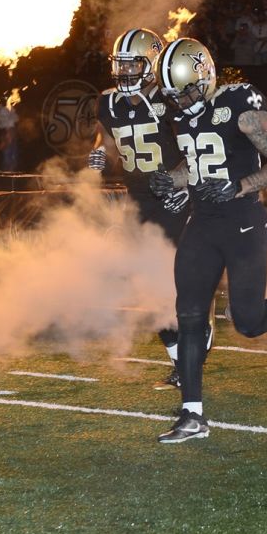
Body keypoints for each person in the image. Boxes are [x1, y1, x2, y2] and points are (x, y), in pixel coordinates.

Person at [152, 37, 267, 444]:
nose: (184, 101)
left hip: (243, 223)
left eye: (189, 91)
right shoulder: (181, 115)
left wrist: (240, 185)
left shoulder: (240, 108)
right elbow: (198, 160)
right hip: (202, 223)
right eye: (175, 96)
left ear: (206, 77)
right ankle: (192, 415)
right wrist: (171, 179)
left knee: (246, 323)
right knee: (190, 317)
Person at [87, 28, 192, 390]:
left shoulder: (171, 99)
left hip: (173, 198)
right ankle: (182, 355)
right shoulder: (108, 102)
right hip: (137, 200)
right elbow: (107, 132)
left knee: (169, 280)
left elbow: (196, 145)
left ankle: (192, 347)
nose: (125, 72)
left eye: (133, 64)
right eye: (122, 65)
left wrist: (185, 184)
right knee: (144, 285)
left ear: (151, 65)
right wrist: (101, 148)